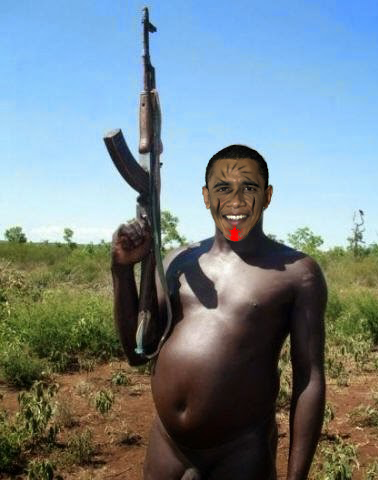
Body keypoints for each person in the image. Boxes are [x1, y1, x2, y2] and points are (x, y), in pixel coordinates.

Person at [111, 145, 327, 480]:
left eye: (249, 187)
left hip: (240, 451)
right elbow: (138, 352)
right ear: (206, 196)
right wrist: (122, 269)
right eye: (223, 188)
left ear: (267, 196)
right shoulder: (178, 261)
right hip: (168, 445)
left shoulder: (297, 272)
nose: (235, 200)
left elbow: (309, 378)